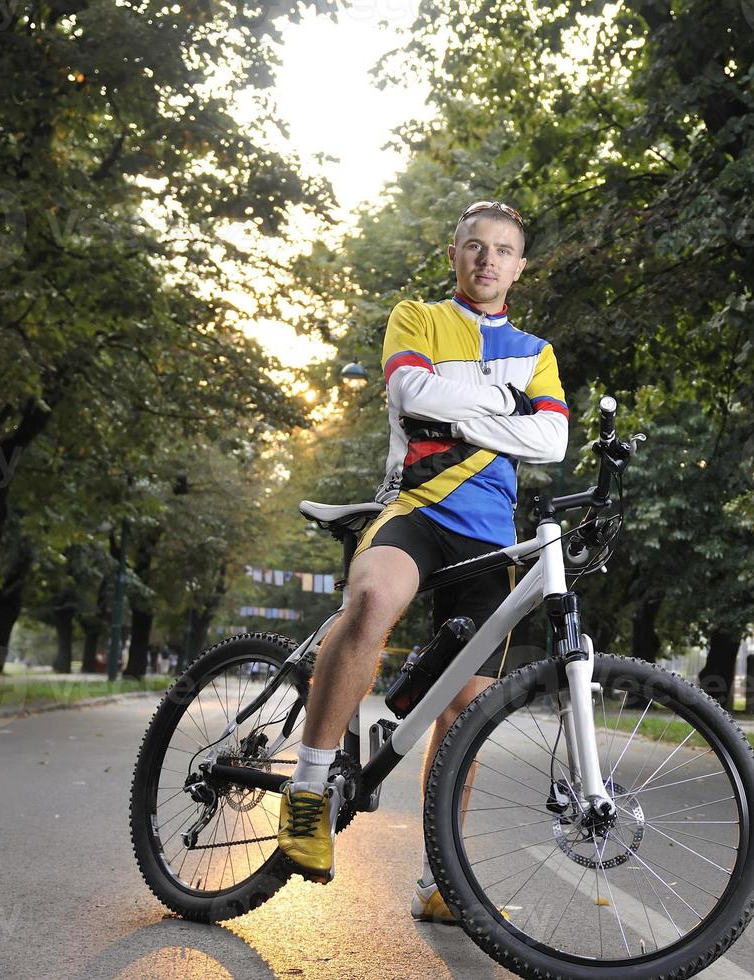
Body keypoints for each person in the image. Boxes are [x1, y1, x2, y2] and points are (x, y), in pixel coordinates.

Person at [276, 200, 569, 924]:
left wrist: (461, 404)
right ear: (455, 254)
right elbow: (411, 391)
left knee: (463, 710)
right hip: (415, 510)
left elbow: (554, 439)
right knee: (372, 600)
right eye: (475, 247)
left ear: (519, 266)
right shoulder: (417, 317)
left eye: (502, 250)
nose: (487, 260)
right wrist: (506, 409)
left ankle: (444, 877)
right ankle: (309, 791)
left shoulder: (537, 351)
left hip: (490, 537)